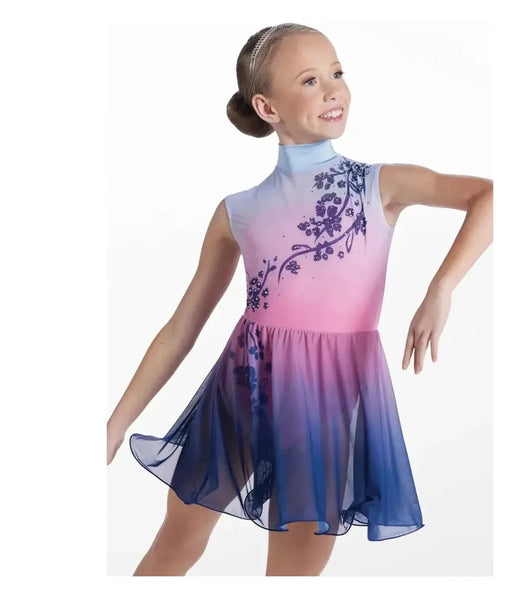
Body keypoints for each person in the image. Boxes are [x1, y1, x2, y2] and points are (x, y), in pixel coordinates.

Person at [106, 22, 493, 577]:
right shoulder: (237, 211)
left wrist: (441, 288)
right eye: (310, 81)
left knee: (292, 573)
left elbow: (490, 195)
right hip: (241, 387)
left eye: (337, 73)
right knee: (177, 540)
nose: (333, 90)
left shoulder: (380, 184)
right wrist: (116, 423)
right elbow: (181, 328)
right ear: (267, 108)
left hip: (325, 401)